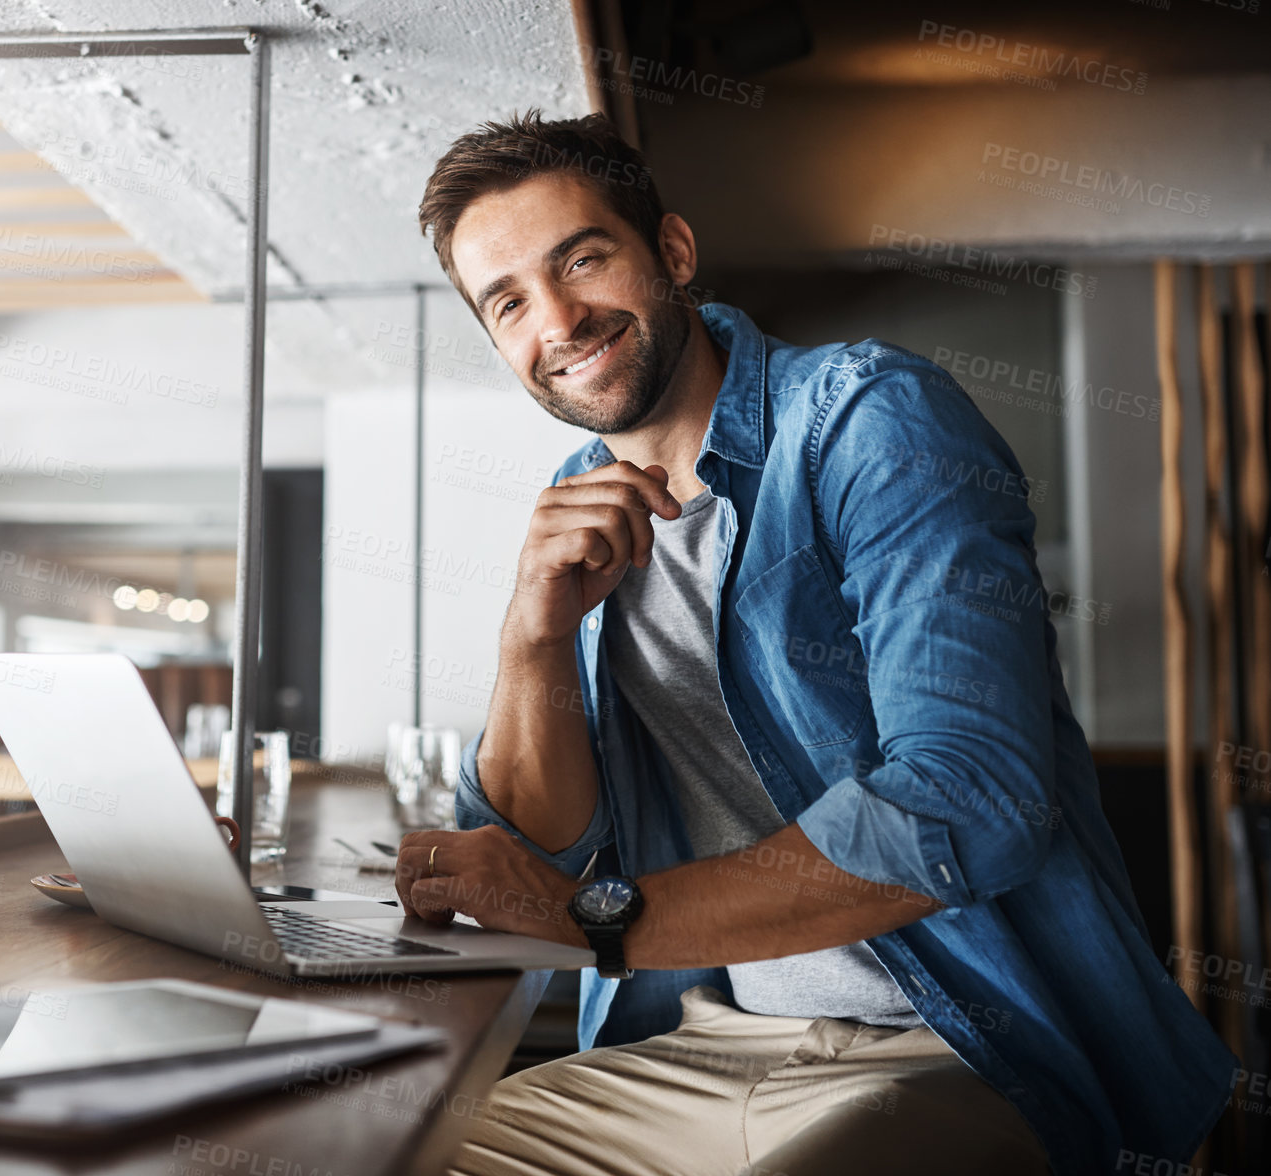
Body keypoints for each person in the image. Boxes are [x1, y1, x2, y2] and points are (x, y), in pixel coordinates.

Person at [392, 110, 1235, 1176]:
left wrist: (601, 919)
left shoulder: (869, 421)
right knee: (389, 1148)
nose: (556, 318)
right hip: (706, 1044)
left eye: (583, 258)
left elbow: (972, 798)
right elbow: (544, 849)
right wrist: (532, 638)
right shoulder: (577, 507)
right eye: (508, 301)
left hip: (958, 1047)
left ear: (675, 254)